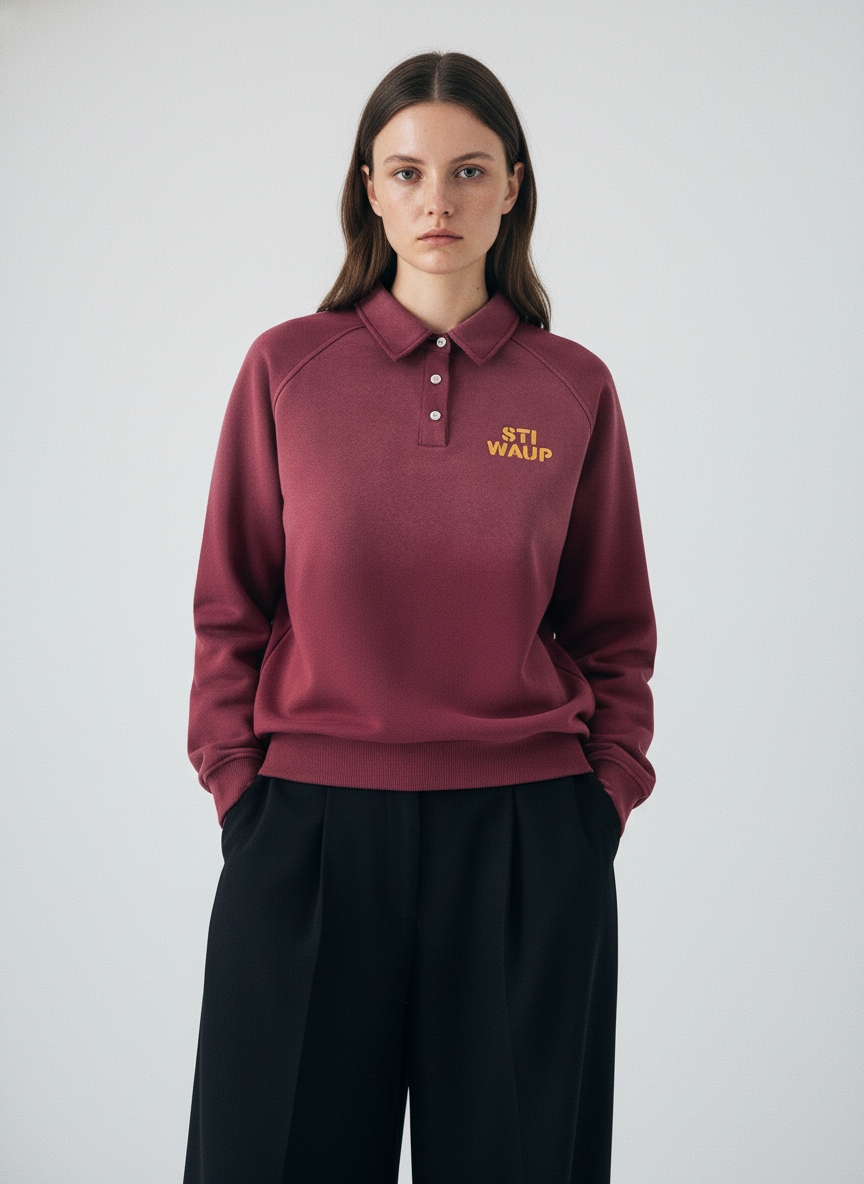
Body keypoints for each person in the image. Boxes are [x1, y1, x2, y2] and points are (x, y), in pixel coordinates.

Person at [183, 49, 656, 1184]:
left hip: (526, 845)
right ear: (370, 189)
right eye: (407, 171)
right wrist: (241, 790)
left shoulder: (573, 386)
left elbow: (613, 627)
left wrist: (602, 799)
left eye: (468, 170)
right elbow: (228, 606)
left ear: (513, 187)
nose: (437, 199)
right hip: (306, 838)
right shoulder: (286, 369)